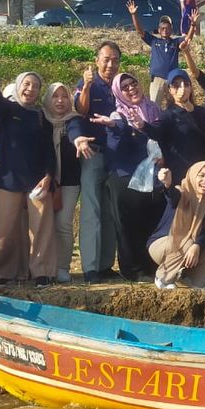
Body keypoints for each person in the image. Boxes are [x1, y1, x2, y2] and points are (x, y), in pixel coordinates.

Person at [0, 50, 57, 287]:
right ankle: (3, 273)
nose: (30, 89)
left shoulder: (41, 116)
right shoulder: (7, 111)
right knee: (7, 229)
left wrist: (49, 176)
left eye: (35, 86)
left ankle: (42, 272)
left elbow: (48, 149)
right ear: (18, 86)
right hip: (8, 180)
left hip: (37, 181)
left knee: (41, 229)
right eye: (26, 84)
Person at [91, 72, 166, 283]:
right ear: (118, 92)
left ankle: (152, 265)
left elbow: (161, 136)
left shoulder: (153, 110)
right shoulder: (117, 115)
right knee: (129, 225)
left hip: (152, 176)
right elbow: (115, 148)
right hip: (125, 178)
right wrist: (118, 127)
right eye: (124, 87)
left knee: (152, 220)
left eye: (133, 83)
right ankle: (132, 269)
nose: (131, 88)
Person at [74, 40, 122, 283]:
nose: (110, 64)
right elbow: (80, 111)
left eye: (115, 60)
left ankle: (105, 264)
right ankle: (90, 268)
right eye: (106, 59)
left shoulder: (120, 86)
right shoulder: (87, 83)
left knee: (110, 210)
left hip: (115, 156)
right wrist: (87, 86)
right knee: (92, 209)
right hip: (92, 153)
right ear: (97, 60)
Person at [148, 161, 205, 290]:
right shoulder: (181, 192)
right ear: (193, 175)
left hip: (188, 245)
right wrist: (168, 184)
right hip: (161, 245)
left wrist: (197, 245)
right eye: (202, 176)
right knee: (187, 242)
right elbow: (172, 197)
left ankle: (193, 280)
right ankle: (163, 278)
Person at [43, 82, 89, 284]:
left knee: (63, 224)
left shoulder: (74, 120)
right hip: (42, 181)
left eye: (64, 96)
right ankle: (43, 266)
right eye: (55, 96)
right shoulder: (41, 119)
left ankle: (62, 267)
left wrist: (79, 139)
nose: (60, 100)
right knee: (43, 225)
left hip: (68, 182)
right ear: (48, 99)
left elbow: (76, 131)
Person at [144, 68, 205, 183]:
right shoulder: (168, 115)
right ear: (170, 90)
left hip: (202, 176)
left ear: (190, 88)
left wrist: (192, 109)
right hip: (179, 176)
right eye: (176, 85)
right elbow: (155, 131)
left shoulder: (201, 112)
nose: (182, 88)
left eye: (185, 84)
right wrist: (142, 125)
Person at [126, 0, 181, 108]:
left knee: (176, 106)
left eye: (167, 28)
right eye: (163, 28)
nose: (165, 30)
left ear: (171, 30)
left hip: (172, 80)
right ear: (159, 30)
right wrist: (134, 14)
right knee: (154, 106)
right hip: (157, 79)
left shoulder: (176, 42)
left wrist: (193, 25)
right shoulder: (154, 41)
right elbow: (140, 31)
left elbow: (188, 39)